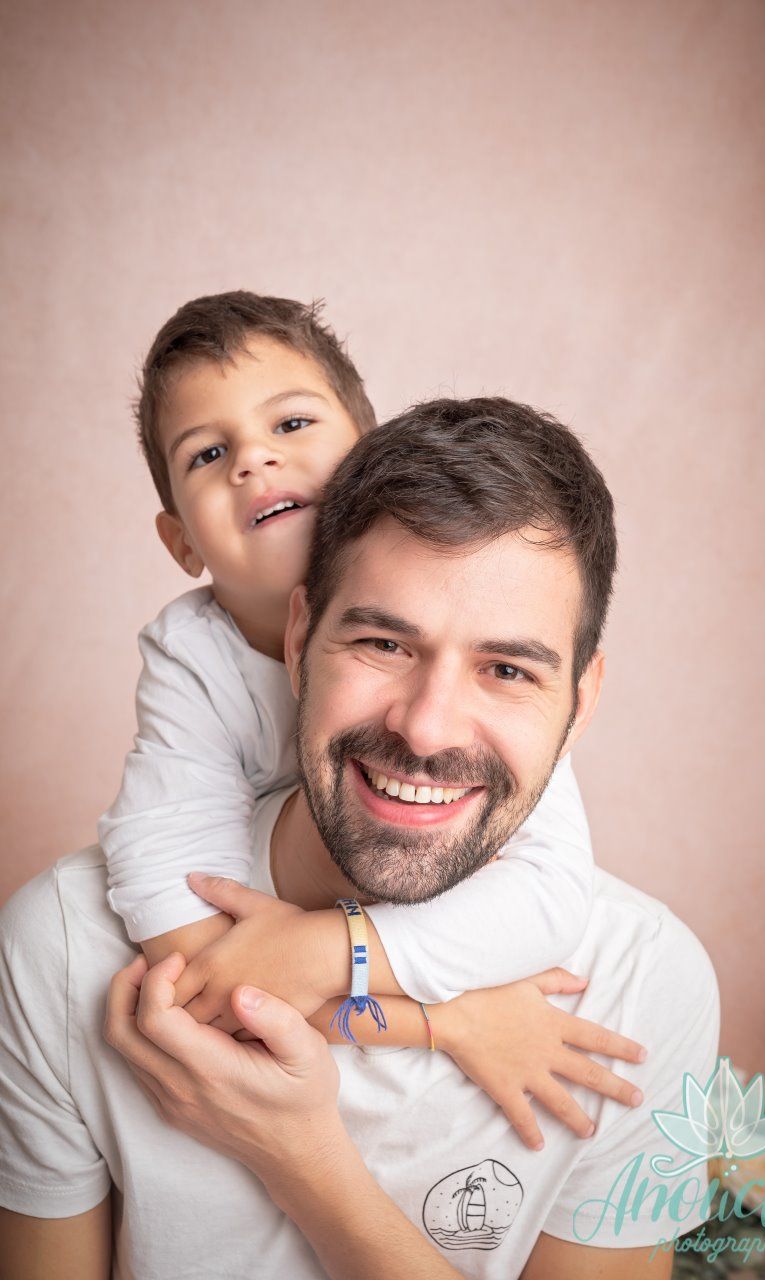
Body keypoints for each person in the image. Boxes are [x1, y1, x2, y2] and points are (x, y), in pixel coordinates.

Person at [0, 398, 720, 1278]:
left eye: (506, 669)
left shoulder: (643, 985)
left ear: (582, 700)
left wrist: (301, 1159)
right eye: (384, 643)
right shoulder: (60, 948)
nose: (427, 728)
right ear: (299, 636)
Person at [97, 290, 601, 1056]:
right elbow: (177, 905)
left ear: (372, 457)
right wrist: (444, 1024)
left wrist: (329, 950)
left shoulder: (475, 633)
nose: (253, 460)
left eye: (291, 424)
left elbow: (551, 892)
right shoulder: (190, 657)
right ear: (182, 543)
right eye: (207, 454)